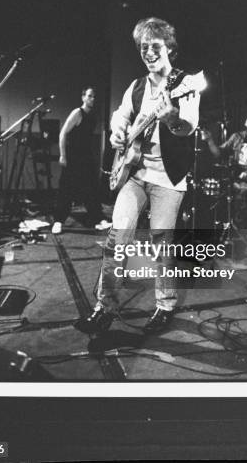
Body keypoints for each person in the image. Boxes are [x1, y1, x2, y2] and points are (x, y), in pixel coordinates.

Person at [77, 17, 200, 335]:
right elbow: (120, 116)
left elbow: (187, 127)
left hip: (168, 179)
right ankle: (104, 307)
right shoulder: (137, 86)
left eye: (155, 46)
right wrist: (118, 132)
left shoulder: (185, 84)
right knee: (118, 238)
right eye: (143, 47)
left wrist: (171, 114)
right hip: (134, 174)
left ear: (169, 47)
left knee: (162, 244)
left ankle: (165, 305)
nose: (148, 52)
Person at [51, 87, 111, 234]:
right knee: (66, 189)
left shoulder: (93, 115)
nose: (92, 99)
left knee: (91, 188)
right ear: (83, 97)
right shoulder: (77, 113)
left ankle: (98, 218)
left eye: (94, 96)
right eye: (89, 96)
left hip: (86, 156)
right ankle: (58, 221)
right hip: (73, 156)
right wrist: (62, 155)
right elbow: (63, 133)